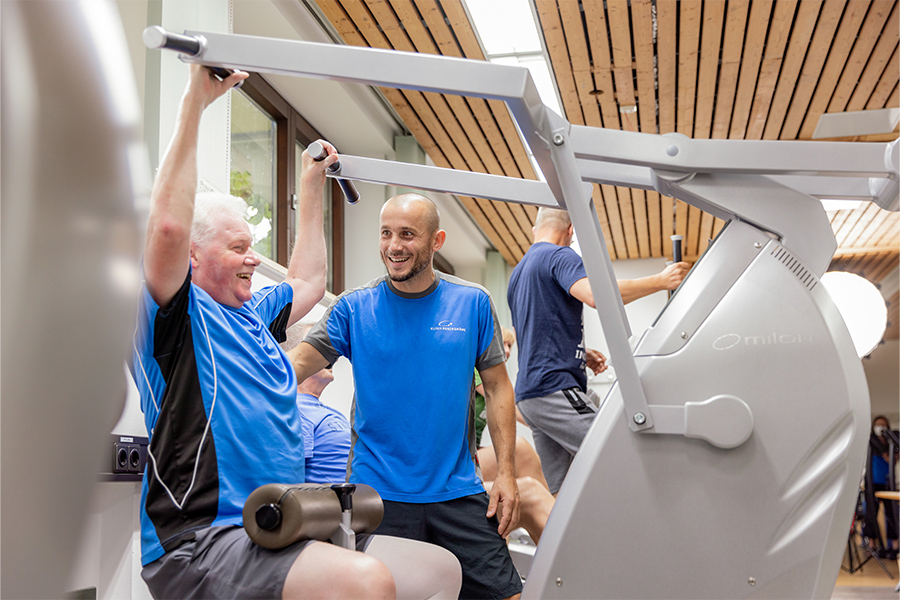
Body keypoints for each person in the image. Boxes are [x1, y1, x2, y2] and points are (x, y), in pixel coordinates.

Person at [132, 64, 460, 600]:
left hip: (279, 524)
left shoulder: (252, 314)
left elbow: (306, 278)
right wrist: (196, 101)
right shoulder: (177, 314)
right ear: (192, 256)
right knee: (367, 582)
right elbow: (167, 225)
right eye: (238, 247)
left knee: (438, 572)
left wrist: (311, 184)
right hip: (201, 539)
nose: (253, 257)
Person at [288, 193, 524, 600]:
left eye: (408, 234)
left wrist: (506, 473)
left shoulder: (472, 303)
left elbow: (499, 386)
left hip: (457, 489)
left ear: (436, 241)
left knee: (507, 594)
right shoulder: (353, 308)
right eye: (386, 233)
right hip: (376, 494)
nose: (394, 246)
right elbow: (293, 367)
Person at [507, 207, 690, 496]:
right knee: (617, 454)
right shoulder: (558, 254)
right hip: (554, 388)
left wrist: (578, 352)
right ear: (570, 231)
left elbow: (536, 331)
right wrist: (660, 281)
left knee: (565, 493)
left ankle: (567, 542)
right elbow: (595, 295)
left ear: (535, 229)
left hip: (531, 396)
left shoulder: (519, 272)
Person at [282, 322, 351, 484]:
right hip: (330, 505)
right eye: (318, 346)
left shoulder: (329, 412)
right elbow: (287, 474)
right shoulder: (293, 408)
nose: (329, 355)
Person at [864, 415, 899, 559]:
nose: (881, 427)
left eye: (884, 424)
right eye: (878, 424)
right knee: (871, 514)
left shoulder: (892, 442)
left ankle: (895, 546)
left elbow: (894, 460)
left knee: (892, 514)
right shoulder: (871, 441)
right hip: (873, 482)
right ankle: (872, 545)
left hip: (888, 481)